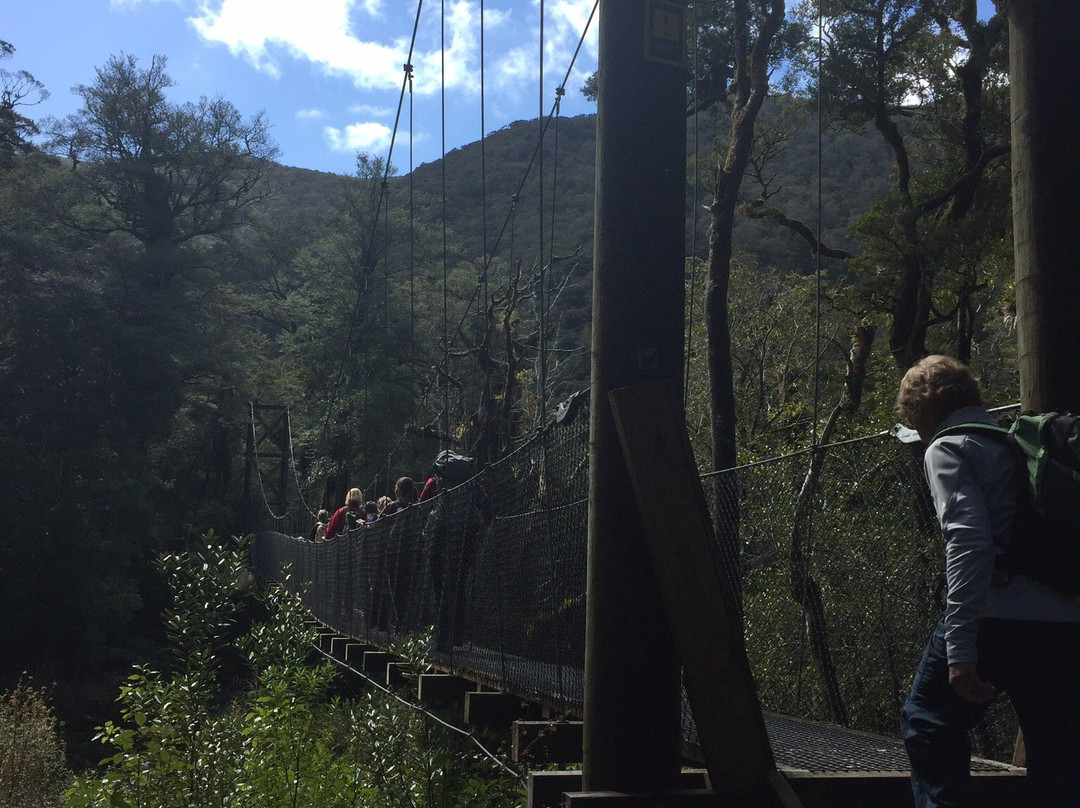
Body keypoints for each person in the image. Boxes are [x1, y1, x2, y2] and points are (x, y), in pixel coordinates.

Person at [896, 355, 1080, 808]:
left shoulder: (949, 447)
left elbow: (969, 543)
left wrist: (961, 647)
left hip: (996, 613)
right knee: (1057, 752)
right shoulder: (1019, 442)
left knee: (929, 720)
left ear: (923, 408)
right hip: (1062, 616)